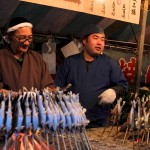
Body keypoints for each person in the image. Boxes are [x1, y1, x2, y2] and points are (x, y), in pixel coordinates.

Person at [54, 24, 128, 127]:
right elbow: (57, 88)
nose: (99, 43)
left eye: (102, 39)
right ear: (84, 41)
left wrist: (114, 91)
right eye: (95, 38)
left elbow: (123, 86)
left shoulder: (110, 63)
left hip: (100, 121)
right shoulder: (69, 62)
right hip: (71, 120)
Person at [0, 17, 54, 95]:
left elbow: (48, 85)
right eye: (22, 38)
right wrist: (17, 95)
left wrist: (49, 90)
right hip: (9, 106)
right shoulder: (1, 57)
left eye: (30, 38)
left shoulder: (36, 58)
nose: (26, 43)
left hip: (35, 106)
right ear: (10, 36)